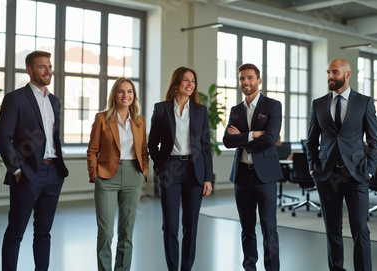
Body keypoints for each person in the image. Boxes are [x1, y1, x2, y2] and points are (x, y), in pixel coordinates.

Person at [0, 50, 69, 271]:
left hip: (53, 173)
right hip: (27, 175)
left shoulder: (54, 101)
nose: (48, 71)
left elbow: (53, 137)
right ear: (29, 70)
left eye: (49, 66)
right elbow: (3, 138)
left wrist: (57, 171)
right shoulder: (15, 99)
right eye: (42, 67)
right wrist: (17, 170)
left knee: (44, 232)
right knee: (16, 233)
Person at [306, 58, 377, 271]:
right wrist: (313, 166)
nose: (330, 76)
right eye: (328, 72)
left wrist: (369, 171)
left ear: (348, 75)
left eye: (335, 72)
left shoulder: (364, 102)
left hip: (356, 175)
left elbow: (374, 141)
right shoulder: (318, 104)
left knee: (360, 229)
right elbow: (311, 141)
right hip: (326, 175)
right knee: (332, 230)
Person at [148, 67, 214, 271]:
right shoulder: (161, 109)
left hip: (195, 171)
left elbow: (205, 145)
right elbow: (152, 143)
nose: (190, 84)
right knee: (170, 224)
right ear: (176, 84)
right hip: (171, 170)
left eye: (193, 81)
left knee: (191, 225)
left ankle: (186, 268)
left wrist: (208, 178)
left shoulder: (200, 111)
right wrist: (160, 165)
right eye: (186, 80)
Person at [223, 63, 283, 271]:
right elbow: (227, 141)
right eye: (241, 79)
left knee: (269, 227)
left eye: (250, 78)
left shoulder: (273, 106)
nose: (245, 82)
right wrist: (251, 135)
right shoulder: (236, 110)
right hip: (242, 176)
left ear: (259, 81)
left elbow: (270, 139)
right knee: (247, 228)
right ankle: (249, 267)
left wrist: (240, 138)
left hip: (264, 176)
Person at [87, 77, 149, 271]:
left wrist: (144, 172)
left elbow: (144, 150)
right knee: (105, 232)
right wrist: (94, 173)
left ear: (134, 96)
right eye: (121, 91)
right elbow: (92, 150)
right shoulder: (102, 118)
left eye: (130, 91)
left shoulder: (140, 121)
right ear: (114, 95)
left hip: (133, 175)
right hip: (106, 177)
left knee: (126, 231)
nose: (126, 95)